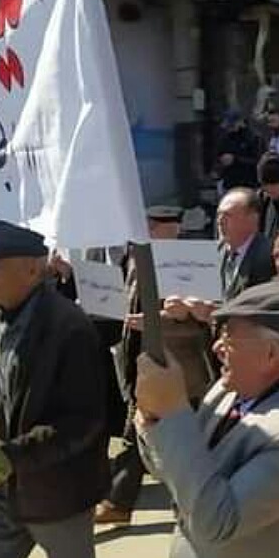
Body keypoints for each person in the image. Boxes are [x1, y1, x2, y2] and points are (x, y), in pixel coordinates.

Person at [135, 281, 279, 558]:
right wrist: (154, 418)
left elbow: (217, 522)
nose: (217, 347)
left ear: (271, 354)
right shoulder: (227, 389)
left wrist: (173, 412)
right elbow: (174, 471)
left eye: (229, 337)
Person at [0, 223, 108, 558]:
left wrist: (11, 458)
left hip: (58, 496)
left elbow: (82, 422)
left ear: (30, 269)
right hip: (0, 492)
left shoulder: (69, 328)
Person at [97, 207, 218, 527]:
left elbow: (201, 324)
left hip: (180, 369)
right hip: (140, 359)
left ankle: (121, 501)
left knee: (172, 436)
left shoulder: (189, 263)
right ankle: (120, 502)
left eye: (154, 226)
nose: (148, 231)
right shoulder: (138, 259)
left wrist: (157, 321)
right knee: (140, 430)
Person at [217, 188, 276, 300]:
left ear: (252, 218)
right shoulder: (215, 253)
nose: (220, 221)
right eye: (219, 214)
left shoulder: (270, 256)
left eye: (227, 215)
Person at [213, 110, 262, 191]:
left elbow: (258, 161)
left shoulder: (253, 138)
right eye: (228, 126)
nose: (229, 129)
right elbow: (218, 157)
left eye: (231, 125)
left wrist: (235, 159)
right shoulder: (225, 138)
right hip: (229, 184)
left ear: (240, 122)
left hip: (249, 184)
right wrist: (220, 164)